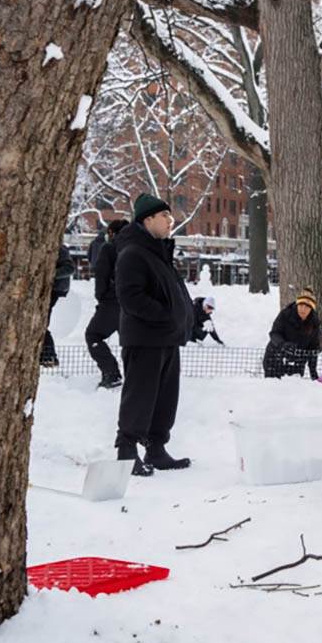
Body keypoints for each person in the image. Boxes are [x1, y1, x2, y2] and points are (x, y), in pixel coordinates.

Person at [113, 193, 194, 476]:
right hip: (145, 338)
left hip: (166, 338)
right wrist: (166, 316)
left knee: (164, 398)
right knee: (140, 396)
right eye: (165, 216)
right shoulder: (133, 252)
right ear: (147, 220)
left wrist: (183, 319)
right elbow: (130, 296)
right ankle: (126, 452)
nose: (171, 221)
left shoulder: (158, 252)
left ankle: (156, 449)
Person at [86, 219, 129, 388]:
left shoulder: (109, 248)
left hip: (112, 302)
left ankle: (111, 374)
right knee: (130, 342)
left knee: (93, 335)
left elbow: (101, 275)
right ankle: (137, 377)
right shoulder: (139, 248)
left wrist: (102, 297)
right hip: (135, 304)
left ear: (112, 233)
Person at [263, 288, 322, 379]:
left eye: (307, 307)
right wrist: (283, 345)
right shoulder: (285, 314)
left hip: (296, 362)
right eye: (301, 305)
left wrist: (313, 371)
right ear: (297, 304)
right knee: (273, 388)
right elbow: (274, 333)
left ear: (311, 309)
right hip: (275, 357)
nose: (303, 309)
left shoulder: (314, 323)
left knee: (293, 389)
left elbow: (313, 348)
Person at [40, 244, 75, 367]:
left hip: (55, 289)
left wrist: (50, 274)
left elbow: (70, 268)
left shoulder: (59, 248)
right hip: (53, 289)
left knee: (42, 324)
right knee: (42, 324)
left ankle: (49, 356)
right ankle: (47, 356)